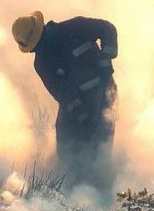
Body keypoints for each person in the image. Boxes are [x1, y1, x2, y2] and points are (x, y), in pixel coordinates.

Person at [12, 11, 118, 192]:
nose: (35, 51)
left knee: (99, 143)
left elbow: (108, 29)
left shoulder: (76, 27)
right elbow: (62, 92)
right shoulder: (42, 62)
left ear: (41, 33)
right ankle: (70, 187)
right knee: (66, 140)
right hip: (77, 103)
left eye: (35, 45)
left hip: (104, 93)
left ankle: (102, 187)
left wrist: (105, 59)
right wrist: (81, 115)